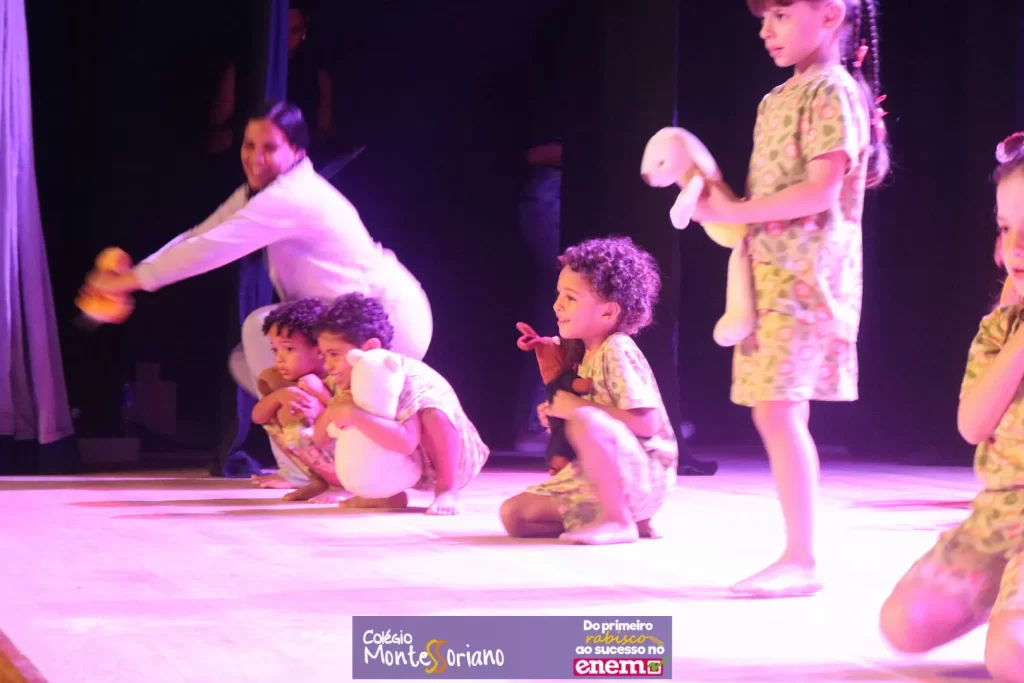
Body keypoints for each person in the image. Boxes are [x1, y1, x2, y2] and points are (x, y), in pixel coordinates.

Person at [80, 100, 433, 490]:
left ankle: (306, 467)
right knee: (248, 360)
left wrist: (129, 282)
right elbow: (200, 234)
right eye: (249, 146)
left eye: (269, 148)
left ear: (296, 151)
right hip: (344, 321)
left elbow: (210, 249)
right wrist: (133, 274)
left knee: (261, 331)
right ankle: (325, 461)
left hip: (387, 317)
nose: (255, 158)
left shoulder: (291, 196)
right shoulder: (263, 192)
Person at [690, 0, 889, 595]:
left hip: (808, 277)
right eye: (763, 18)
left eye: (780, 13)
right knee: (773, 409)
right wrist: (714, 199)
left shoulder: (833, 90)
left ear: (829, 15)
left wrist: (736, 212)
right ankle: (797, 554)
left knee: (779, 409)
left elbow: (820, 191)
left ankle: (802, 558)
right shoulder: (777, 98)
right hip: (770, 275)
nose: (766, 29)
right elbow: (770, 194)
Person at [878, 133, 1024, 683]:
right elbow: (972, 424)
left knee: (1010, 659)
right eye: (1006, 228)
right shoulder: (1001, 329)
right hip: (998, 519)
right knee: (904, 624)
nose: (1014, 248)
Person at [499, 237, 679, 545]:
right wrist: (561, 413)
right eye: (559, 294)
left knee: (587, 420)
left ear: (608, 313)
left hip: (643, 474)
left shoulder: (618, 349)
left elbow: (647, 423)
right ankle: (627, 518)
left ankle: (618, 520)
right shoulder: (584, 355)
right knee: (514, 515)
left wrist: (578, 410)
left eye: (570, 297)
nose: (557, 305)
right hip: (601, 478)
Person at [311, 293, 489, 516]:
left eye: (334, 354)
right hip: (412, 465)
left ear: (369, 348)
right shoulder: (350, 378)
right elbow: (320, 439)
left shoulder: (403, 378)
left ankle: (447, 490)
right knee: (360, 426)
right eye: (324, 356)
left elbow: (405, 443)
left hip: (456, 460)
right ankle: (387, 495)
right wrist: (333, 412)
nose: (327, 365)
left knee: (432, 413)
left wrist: (353, 414)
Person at [208, 4, 334, 158]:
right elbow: (213, 138)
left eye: (294, 31)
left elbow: (323, 135)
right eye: (281, 31)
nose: (286, 39)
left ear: (304, 30)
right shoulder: (240, 70)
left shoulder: (319, 78)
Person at [250, 298, 344, 503]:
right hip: (316, 455)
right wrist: (279, 396)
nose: (279, 358)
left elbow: (345, 418)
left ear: (319, 350)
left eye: (289, 349)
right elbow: (258, 417)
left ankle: (346, 485)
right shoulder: (278, 380)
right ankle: (319, 481)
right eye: (275, 349)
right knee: (277, 414)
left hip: (349, 459)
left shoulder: (338, 377)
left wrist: (320, 394)